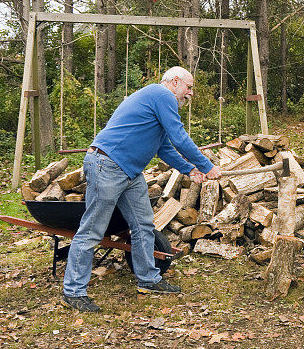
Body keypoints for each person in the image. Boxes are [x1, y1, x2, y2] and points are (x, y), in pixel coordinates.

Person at [62, 67, 222, 312]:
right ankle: (73, 291)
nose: (190, 93)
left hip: (129, 171)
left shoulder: (158, 103)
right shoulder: (162, 95)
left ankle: (148, 279)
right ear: (175, 81)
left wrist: (189, 170)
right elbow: (180, 138)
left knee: (144, 225)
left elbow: (165, 148)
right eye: (189, 87)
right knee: (93, 229)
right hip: (108, 164)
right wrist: (206, 166)